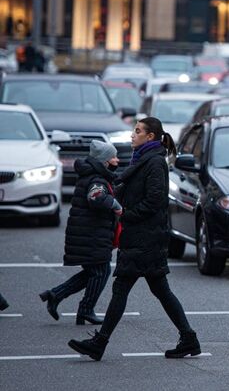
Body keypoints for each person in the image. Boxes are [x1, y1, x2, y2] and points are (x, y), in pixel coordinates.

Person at [68, 117, 200, 361]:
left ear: (150, 137)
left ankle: (100, 342)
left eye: (137, 131)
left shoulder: (155, 163)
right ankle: (188, 338)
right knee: (160, 290)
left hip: (145, 238)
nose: (132, 135)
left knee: (122, 289)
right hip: (142, 237)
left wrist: (126, 214)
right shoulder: (143, 160)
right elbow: (130, 189)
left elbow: (155, 200)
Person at [39, 141, 122, 325]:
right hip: (91, 235)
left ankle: (56, 295)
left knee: (93, 272)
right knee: (101, 272)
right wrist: (116, 206)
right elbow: (96, 197)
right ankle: (85, 309)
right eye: (114, 156)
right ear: (105, 161)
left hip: (89, 234)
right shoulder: (97, 178)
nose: (117, 160)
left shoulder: (94, 174)